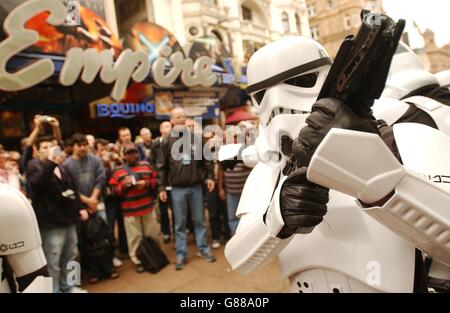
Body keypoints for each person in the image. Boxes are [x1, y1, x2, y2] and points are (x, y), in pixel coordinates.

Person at [223, 35, 450, 293]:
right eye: (262, 95)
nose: (277, 104)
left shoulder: (405, 137)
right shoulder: (271, 170)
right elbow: (239, 259)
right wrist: (277, 217)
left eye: (300, 81)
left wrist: (375, 177)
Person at [26, 139, 89, 293]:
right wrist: (51, 162)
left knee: (73, 256)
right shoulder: (35, 166)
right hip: (51, 224)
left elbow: (74, 188)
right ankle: (54, 290)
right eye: (45, 147)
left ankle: (72, 286)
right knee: (53, 261)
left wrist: (80, 208)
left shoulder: (62, 167)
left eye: (51, 146)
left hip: (69, 219)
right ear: (37, 150)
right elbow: (36, 184)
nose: (49, 149)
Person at [157, 108, 216, 270]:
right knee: (179, 224)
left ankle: (204, 249)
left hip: (196, 186)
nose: (181, 119)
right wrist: (161, 187)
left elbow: (207, 161)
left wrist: (210, 177)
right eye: (178, 117)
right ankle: (181, 255)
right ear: (172, 121)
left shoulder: (197, 138)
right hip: (177, 189)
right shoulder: (167, 141)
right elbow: (161, 167)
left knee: (199, 220)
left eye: (183, 116)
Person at [63, 133, 117, 283]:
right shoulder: (67, 165)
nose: (83, 148)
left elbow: (101, 177)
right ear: (72, 146)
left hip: (97, 204)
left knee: (104, 236)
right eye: (79, 145)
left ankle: (108, 267)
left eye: (85, 144)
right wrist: (87, 201)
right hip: (80, 208)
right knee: (85, 241)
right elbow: (69, 187)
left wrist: (94, 198)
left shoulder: (94, 159)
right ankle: (93, 272)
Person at [109, 143, 160, 273]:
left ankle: (154, 256)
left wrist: (146, 183)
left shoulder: (146, 165)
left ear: (137, 153)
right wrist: (123, 186)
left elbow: (157, 181)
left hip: (147, 206)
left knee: (152, 234)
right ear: (124, 155)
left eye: (134, 152)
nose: (132, 155)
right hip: (130, 210)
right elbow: (112, 191)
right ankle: (138, 261)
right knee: (134, 238)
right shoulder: (118, 170)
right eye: (129, 153)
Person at [94, 138, 126, 268]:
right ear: (96, 151)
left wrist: (119, 161)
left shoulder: (113, 161)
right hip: (105, 200)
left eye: (106, 149)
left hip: (118, 196)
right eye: (101, 149)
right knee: (109, 227)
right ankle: (111, 255)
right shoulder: (96, 163)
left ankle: (124, 249)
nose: (105, 152)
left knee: (122, 223)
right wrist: (103, 163)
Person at [154, 121, 173, 243]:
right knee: (163, 209)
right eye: (166, 126)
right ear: (161, 129)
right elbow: (153, 163)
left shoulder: (175, 142)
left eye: (170, 126)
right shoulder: (155, 144)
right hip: (162, 181)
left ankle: (176, 235)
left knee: (176, 211)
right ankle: (166, 232)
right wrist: (160, 185)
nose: (169, 128)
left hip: (174, 182)